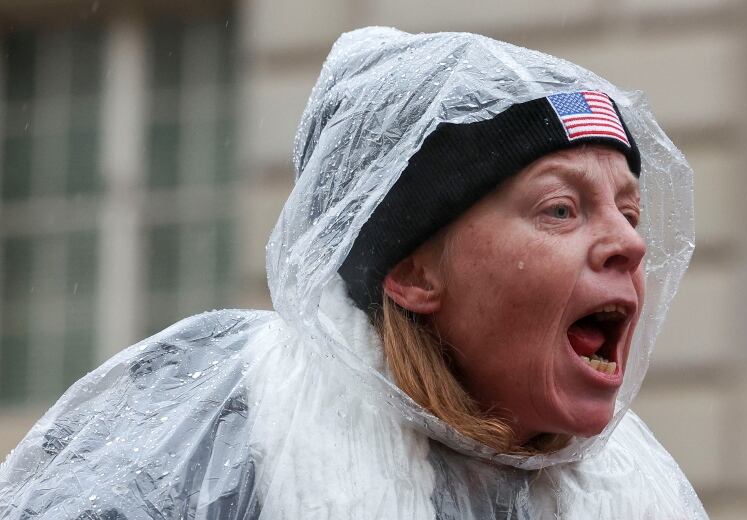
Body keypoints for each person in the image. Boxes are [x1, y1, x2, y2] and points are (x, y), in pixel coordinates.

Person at [0, 27, 707, 519]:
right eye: (561, 210)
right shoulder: (217, 428)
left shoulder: (642, 490)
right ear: (411, 272)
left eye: (629, 211)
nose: (630, 245)